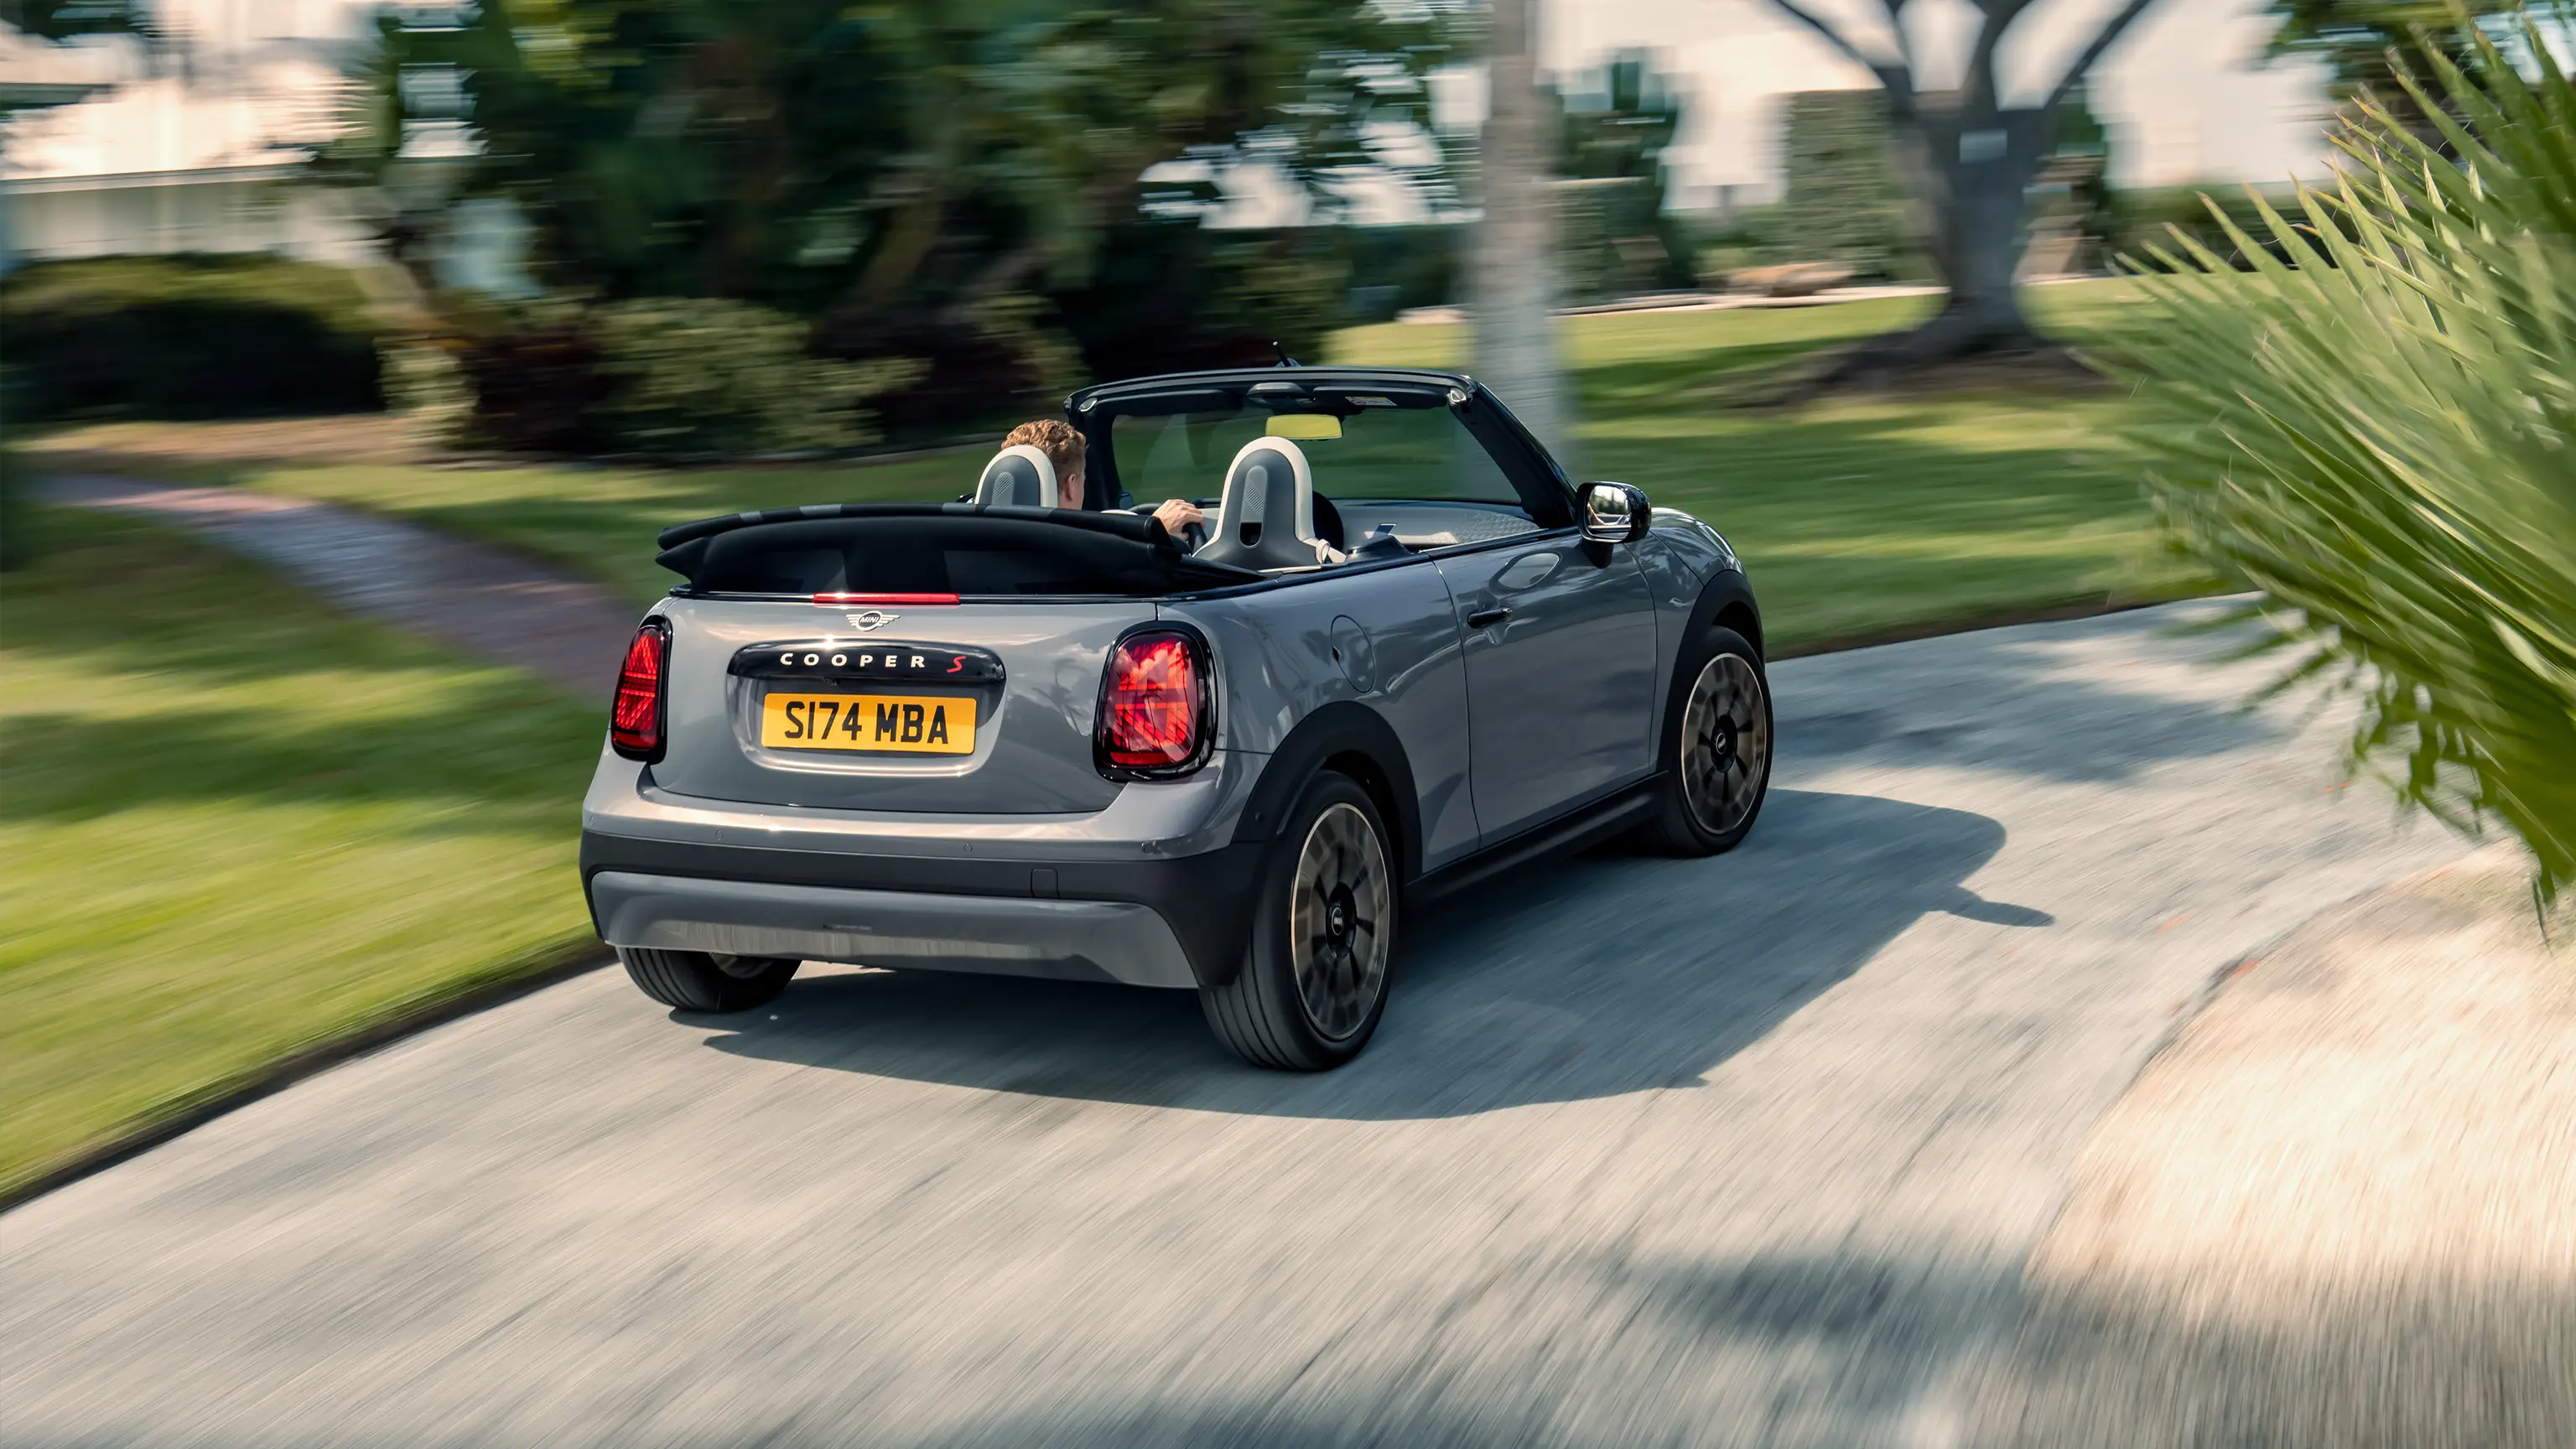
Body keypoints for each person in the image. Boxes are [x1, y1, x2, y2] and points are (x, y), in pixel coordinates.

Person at [1000, 419, 1203, 541]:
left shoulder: (985, 542)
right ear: (1071, 485)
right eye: (1083, 477)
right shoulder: (1071, 554)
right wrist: (1158, 534)